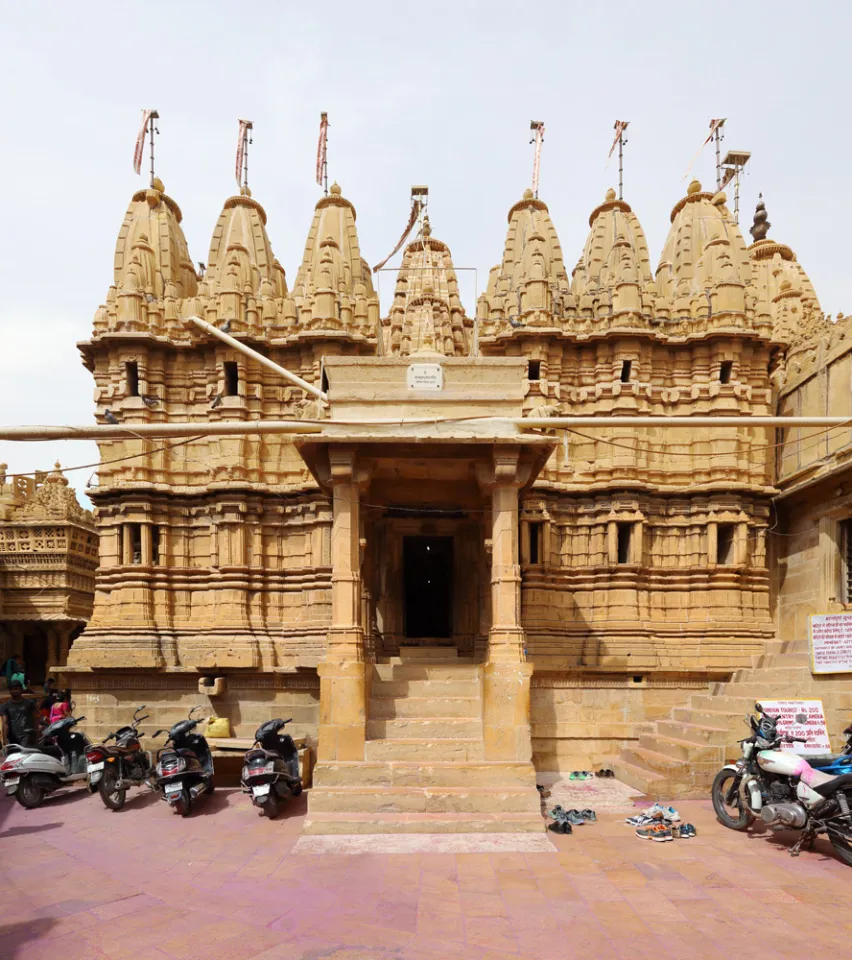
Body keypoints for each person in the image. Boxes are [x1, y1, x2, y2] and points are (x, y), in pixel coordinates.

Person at [0, 681, 40, 747]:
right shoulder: (5, 706)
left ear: (21, 690)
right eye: (11, 689)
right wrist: (5, 739)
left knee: (24, 754)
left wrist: (37, 733)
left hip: (27, 735)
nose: (14, 691)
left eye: (16, 689)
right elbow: (5, 723)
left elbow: (35, 718)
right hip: (12, 736)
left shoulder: (29, 703)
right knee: (14, 755)